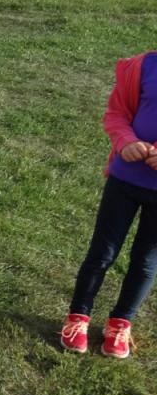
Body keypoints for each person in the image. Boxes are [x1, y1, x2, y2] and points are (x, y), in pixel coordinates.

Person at [60, 51, 157, 359]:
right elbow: (116, 114)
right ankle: (78, 316)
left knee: (145, 261)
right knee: (102, 252)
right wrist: (125, 141)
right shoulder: (142, 66)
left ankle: (120, 322)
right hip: (125, 181)